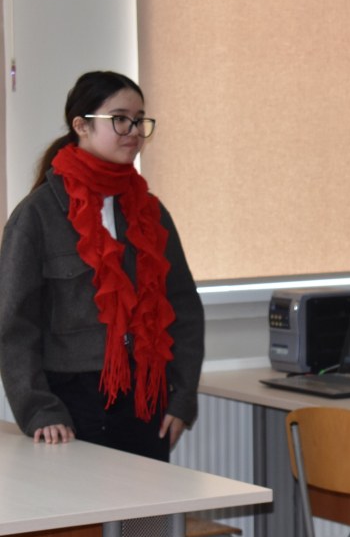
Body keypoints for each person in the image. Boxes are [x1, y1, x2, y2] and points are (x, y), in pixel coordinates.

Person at [0, 71, 204, 462]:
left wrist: (181, 397)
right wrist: (39, 409)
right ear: (81, 126)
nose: (134, 131)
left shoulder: (151, 212)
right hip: (72, 405)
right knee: (82, 505)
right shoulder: (37, 215)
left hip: (147, 399)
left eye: (140, 119)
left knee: (147, 504)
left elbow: (183, 308)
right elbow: (15, 324)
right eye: (120, 118)